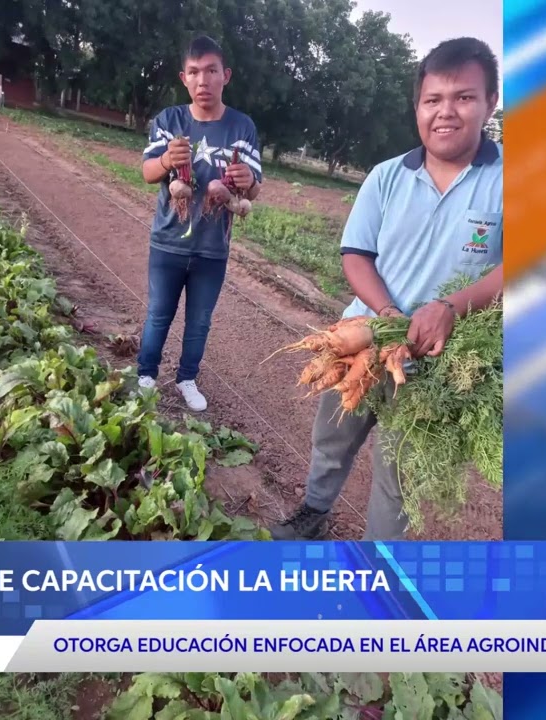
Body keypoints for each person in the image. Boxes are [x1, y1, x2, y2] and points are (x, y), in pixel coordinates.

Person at [271, 37, 504, 541]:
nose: (446, 112)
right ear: (417, 107)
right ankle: (313, 512)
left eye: (463, 97)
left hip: (443, 363)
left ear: (490, 101)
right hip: (366, 333)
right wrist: (387, 315)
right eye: (432, 100)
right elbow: (355, 254)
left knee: (397, 477)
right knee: (331, 437)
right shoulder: (386, 177)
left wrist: (450, 307)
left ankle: (383, 571)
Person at [137, 35, 263, 412]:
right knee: (159, 313)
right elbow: (147, 172)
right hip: (167, 241)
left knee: (199, 321)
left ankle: (187, 378)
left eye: (211, 71)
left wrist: (245, 184)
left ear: (225, 75)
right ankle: (146, 375)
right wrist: (165, 163)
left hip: (213, 247)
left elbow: (253, 192)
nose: (203, 80)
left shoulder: (243, 127)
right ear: (184, 78)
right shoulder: (168, 121)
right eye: (194, 72)